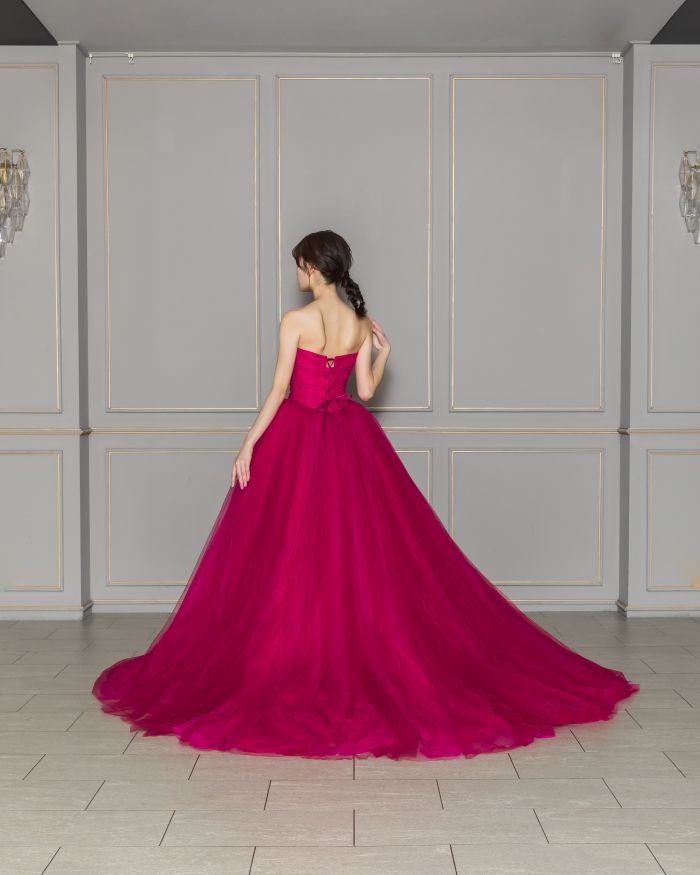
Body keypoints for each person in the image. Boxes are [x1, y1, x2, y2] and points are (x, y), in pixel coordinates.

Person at [92, 229, 639, 760]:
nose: (296, 273)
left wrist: (248, 445)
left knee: (291, 552)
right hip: (349, 439)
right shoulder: (356, 323)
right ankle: (340, 649)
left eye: (298, 264)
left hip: (297, 438)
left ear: (313, 267)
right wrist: (383, 352)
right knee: (353, 556)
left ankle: (297, 652)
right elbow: (367, 391)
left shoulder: (296, 320)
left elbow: (280, 390)